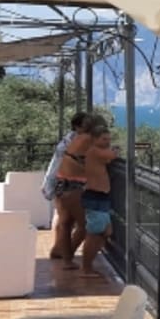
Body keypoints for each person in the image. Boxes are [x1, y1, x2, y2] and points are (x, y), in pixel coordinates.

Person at [48, 112, 93, 267]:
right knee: (86, 226)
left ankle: (63, 256)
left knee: (66, 223)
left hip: (60, 183)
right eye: (87, 124)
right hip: (74, 185)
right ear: (78, 126)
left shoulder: (68, 140)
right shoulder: (84, 139)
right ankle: (70, 257)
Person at [79, 123, 119, 280]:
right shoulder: (95, 151)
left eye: (108, 139)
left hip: (101, 197)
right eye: (103, 139)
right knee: (93, 233)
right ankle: (86, 268)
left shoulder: (95, 152)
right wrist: (114, 150)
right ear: (94, 139)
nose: (107, 142)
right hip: (95, 196)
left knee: (106, 231)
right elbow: (112, 155)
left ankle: (89, 264)